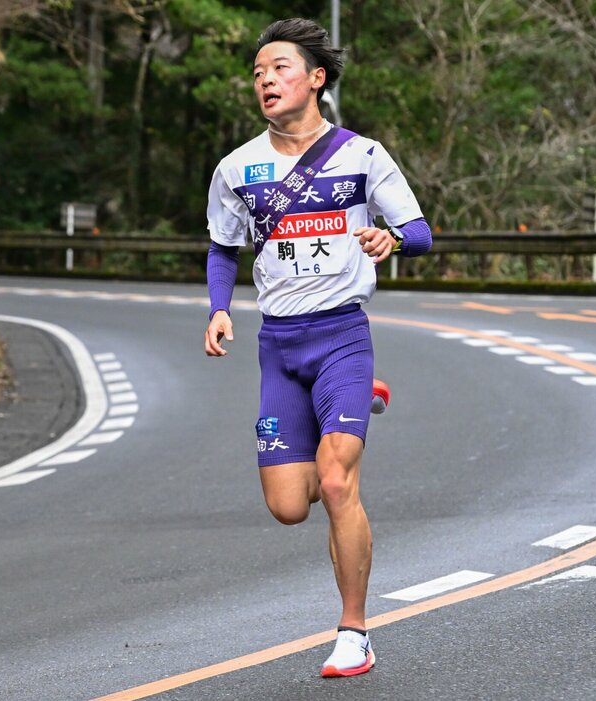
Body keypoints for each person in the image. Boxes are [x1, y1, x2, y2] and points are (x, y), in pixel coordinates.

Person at [203, 17, 431, 678]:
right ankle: (363, 404)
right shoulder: (237, 168)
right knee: (287, 505)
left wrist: (391, 239)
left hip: (341, 337)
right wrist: (219, 309)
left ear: (317, 78)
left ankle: (354, 631)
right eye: (257, 72)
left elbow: (419, 231)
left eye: (279, 67)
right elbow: (223, 246)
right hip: (279, 345)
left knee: (336, 481)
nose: (266, 80)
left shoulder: (362, 155)